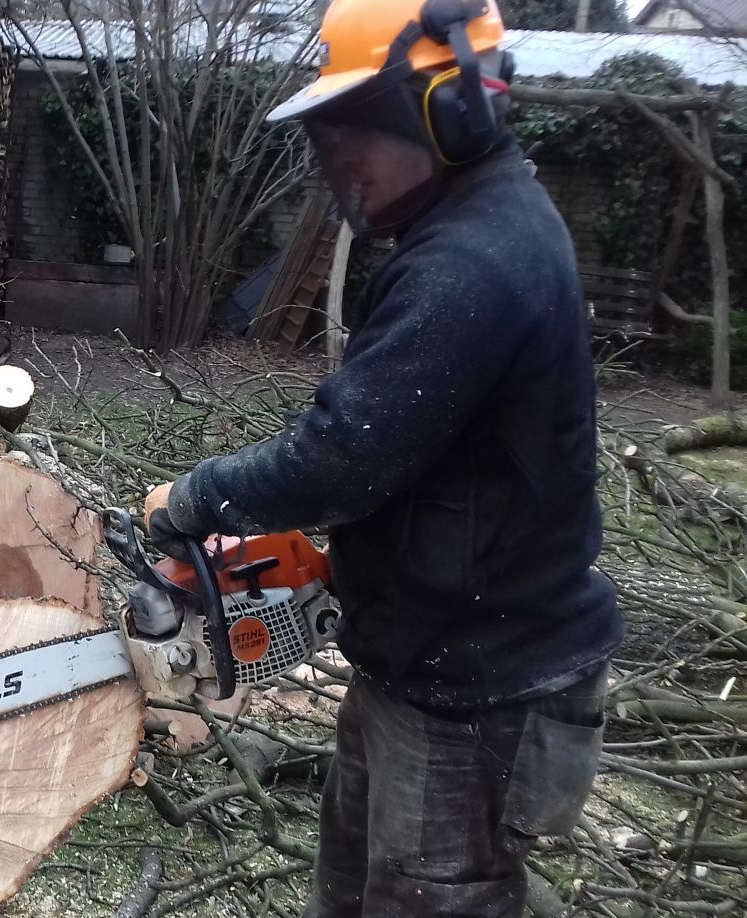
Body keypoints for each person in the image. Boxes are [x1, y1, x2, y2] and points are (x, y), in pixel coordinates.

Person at [143, 0, 623, 914]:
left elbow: (341, 458)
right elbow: (401, 457)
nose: (345, 155)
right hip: (423, 665)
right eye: (334, 130)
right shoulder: (465, 233)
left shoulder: (474, 262)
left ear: (451, 107)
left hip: (477, 693)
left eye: (362, 124)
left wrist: (196, 497)